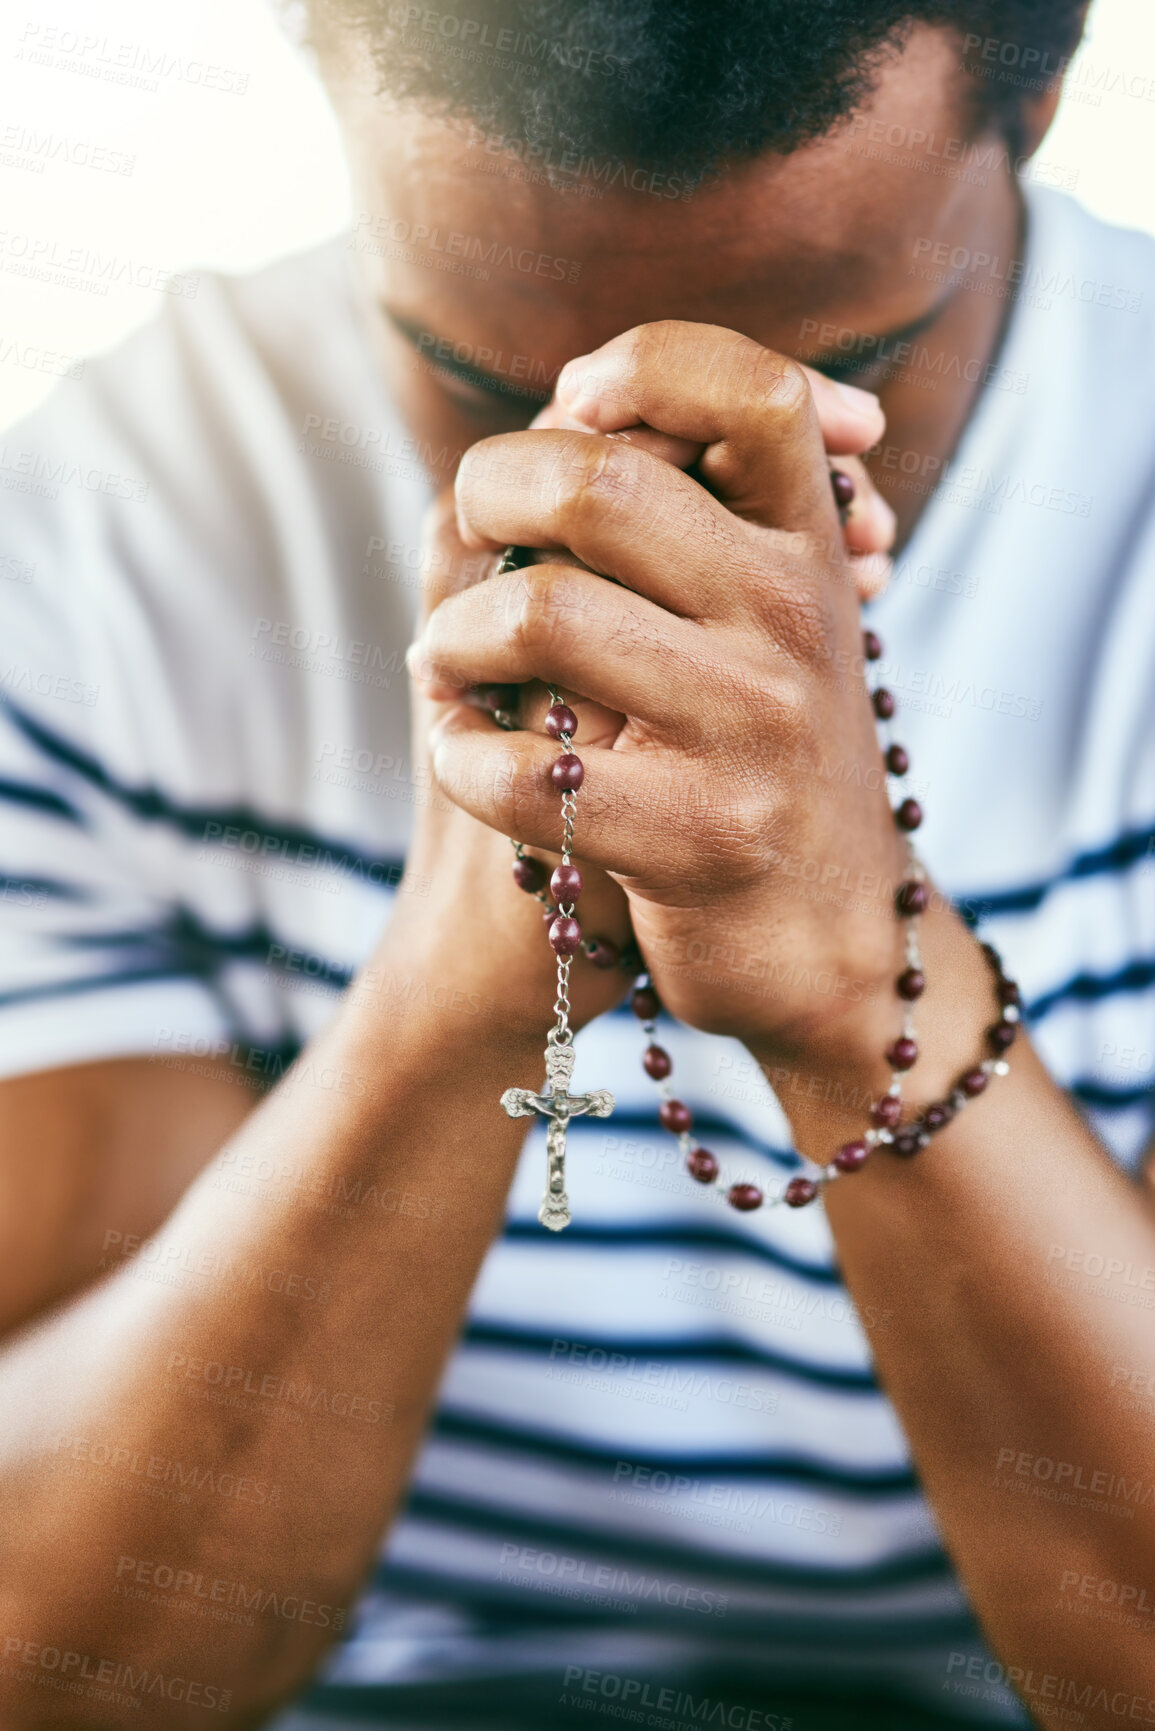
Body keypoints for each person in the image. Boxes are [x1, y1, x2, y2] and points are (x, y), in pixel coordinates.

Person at [1, 0, 1153, 1726]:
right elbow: (70, 1668)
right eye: (482, 389)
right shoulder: (105, 539)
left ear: (1045, 101)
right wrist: (467, 970)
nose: (629, 511)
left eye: (823, 397)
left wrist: (860, 982)